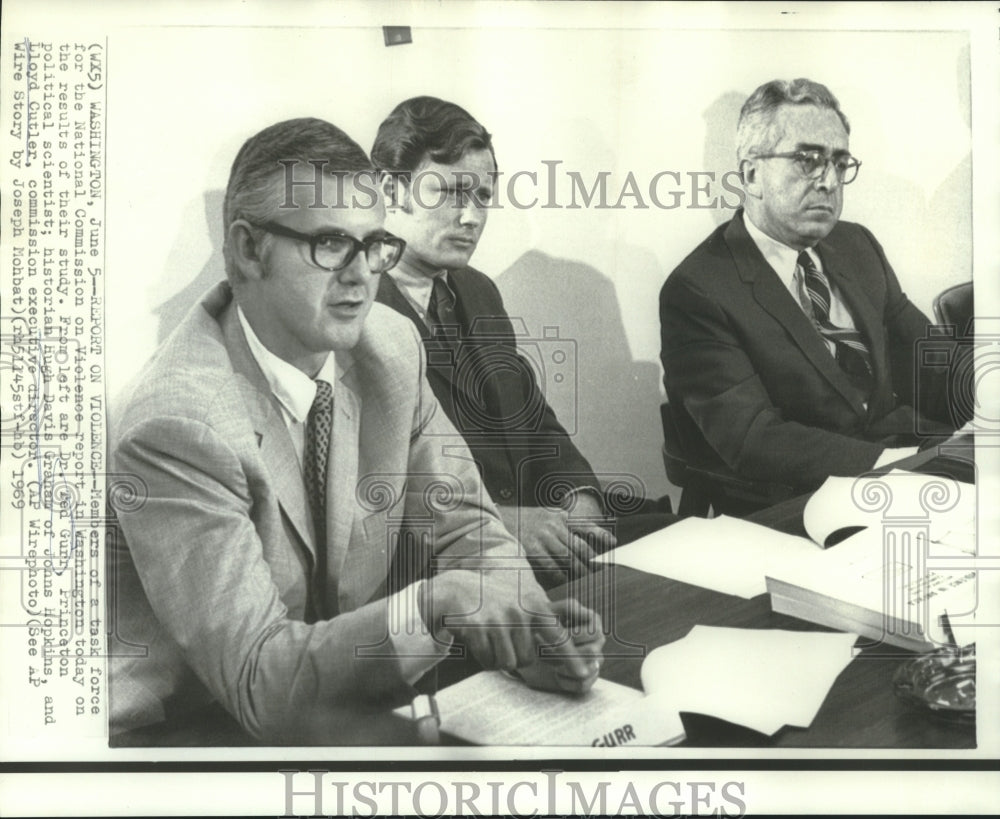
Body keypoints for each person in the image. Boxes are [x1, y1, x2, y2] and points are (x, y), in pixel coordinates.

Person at [107, 118, 603, 745]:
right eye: (331, 244)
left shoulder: (389, 346)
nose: (361, 275)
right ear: (247, 249)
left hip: (331, 692)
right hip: (185, 733)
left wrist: (524, 632)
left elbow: (470, 527)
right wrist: (434, 604)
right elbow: (260, 683)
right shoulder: (176, 424)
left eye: (374, 246)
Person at [371, 96, 673, 586]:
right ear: (392, 189)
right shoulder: (353, 313)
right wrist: (507, 524)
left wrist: (580, 497)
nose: (472, 218)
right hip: (448, 565)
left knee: (679, 543)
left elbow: (532, 419)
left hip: (543, 530)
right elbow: (370, 497)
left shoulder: (477, 291)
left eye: (483, 197)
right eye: (450, 192)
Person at [659, 78, 956, 493]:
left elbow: (934, 359)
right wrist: (893, 466)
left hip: (913, 459)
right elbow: (753, 438)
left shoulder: (857, 244)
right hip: (806, 496)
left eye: (838, 163)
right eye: (807, 160)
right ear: (751, 174)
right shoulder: (697, 290)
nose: (829, 182)